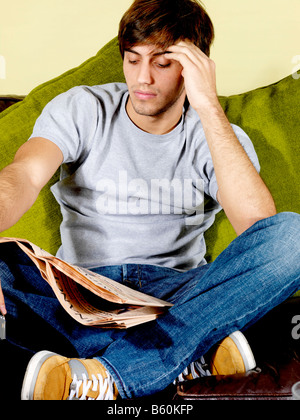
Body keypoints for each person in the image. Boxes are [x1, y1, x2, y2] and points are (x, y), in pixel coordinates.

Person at [0, 0, 299, 400]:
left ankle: (100, 376)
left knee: (293, 235)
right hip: (79, 291)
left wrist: (208, 104)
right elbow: (24, 174)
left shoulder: (219, 135)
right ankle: (185, 354)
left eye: (161, 63)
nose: (142, 78)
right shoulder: (82, 108)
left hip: (175, 295)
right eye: (133, 60)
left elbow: (258, 228)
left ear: (195, 65)